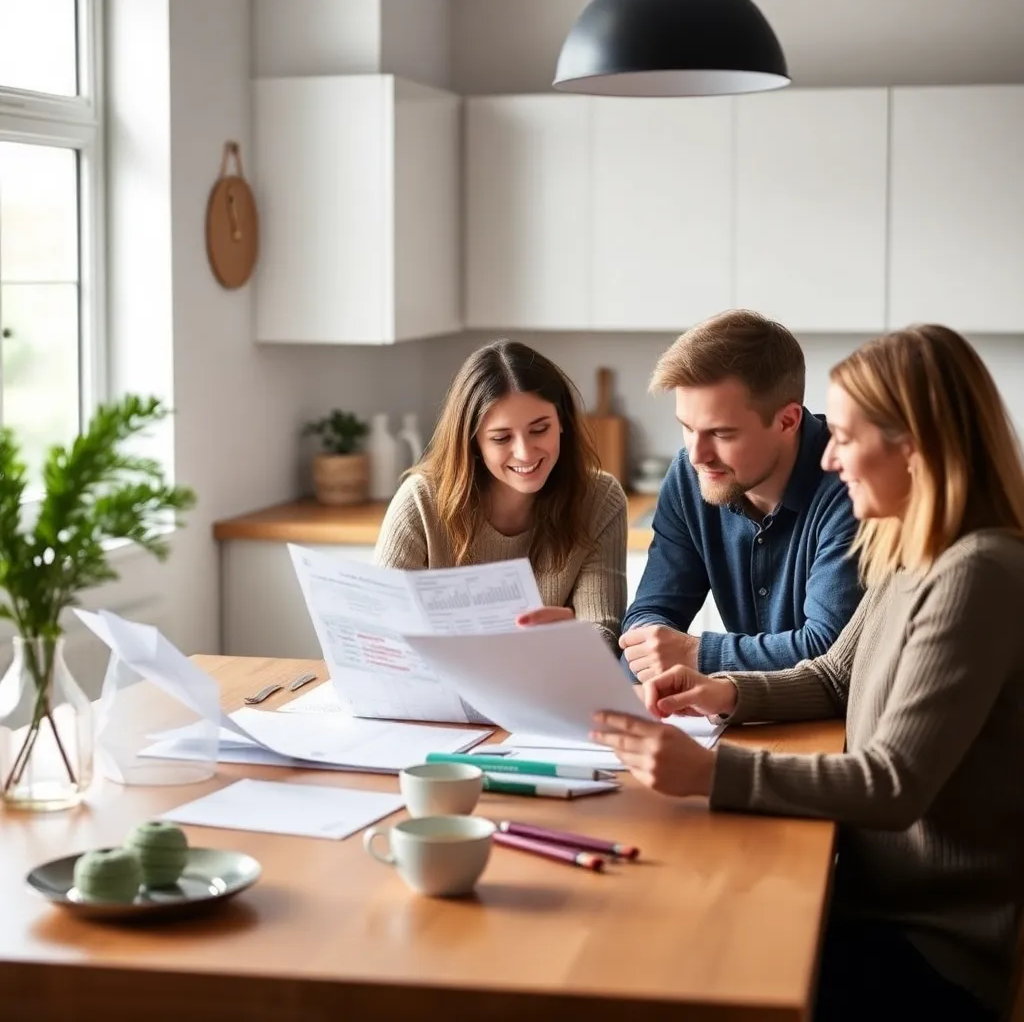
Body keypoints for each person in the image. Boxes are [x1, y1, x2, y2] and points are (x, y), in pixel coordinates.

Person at [592, 324, 1024, 1021]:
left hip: (930, 946)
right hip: (865, 903)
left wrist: (709, 773)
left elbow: (892, 783)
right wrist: (722, 691)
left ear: (912, 447)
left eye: (845, 438)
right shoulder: (912, 549)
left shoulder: (977, 573)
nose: (829, 459)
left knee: (681, 965)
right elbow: (833, 675)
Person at [620, 308, 863, 680]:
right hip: (739, 706)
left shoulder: (854, 484)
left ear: (787, 421)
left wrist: (695, 653)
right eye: (687, 427)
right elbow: (651, 613)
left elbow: (830, 649)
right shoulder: (689, 476)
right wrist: (650, 645)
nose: (697, 455)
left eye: (721, 433)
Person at [374, 339, 627, 648]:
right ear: (474, 442)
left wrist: (574, 635)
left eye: (539, 430)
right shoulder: (421, 501)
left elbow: (604, 631)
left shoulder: (600, 499)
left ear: (562, 421)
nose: (525, 453)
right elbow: (381, 632)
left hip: (550, 674)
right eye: (501, 438)